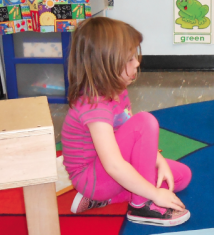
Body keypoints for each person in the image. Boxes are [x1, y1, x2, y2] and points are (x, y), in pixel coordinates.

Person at [61, 17, 192, 226]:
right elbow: (113, 164)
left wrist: (158, 162)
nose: (137, 63)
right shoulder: (94, 106)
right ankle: (141, 206)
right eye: (130, 59)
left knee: (181, 176)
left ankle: (107, 199)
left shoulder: (117, 91)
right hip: (92, 178)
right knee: (145, 122)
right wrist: (154, 194)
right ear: (105, 65)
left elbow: (128, 136)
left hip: (109, 170)